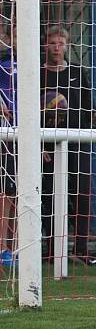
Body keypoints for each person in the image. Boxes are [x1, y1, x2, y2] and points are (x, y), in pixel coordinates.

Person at [41, 25, 96, 266]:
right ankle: (52, 249)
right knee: (50, 196)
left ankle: (81, 249)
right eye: (52, 43)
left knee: (82, 195)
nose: (56, 48)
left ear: (67, 45)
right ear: (45, 45)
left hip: (77, 143)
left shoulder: (77, 72)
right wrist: (40, 146)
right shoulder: (39, 74)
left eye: (60, 43)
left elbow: (88, 105)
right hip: (49, 146)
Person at [0, 25, 16, 266]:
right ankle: (2, 246)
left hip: (20, 129)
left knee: (15, 190)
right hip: (5, 127)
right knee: (4, 191)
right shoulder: (3, 61)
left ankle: (13, 247)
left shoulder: (28, 61)